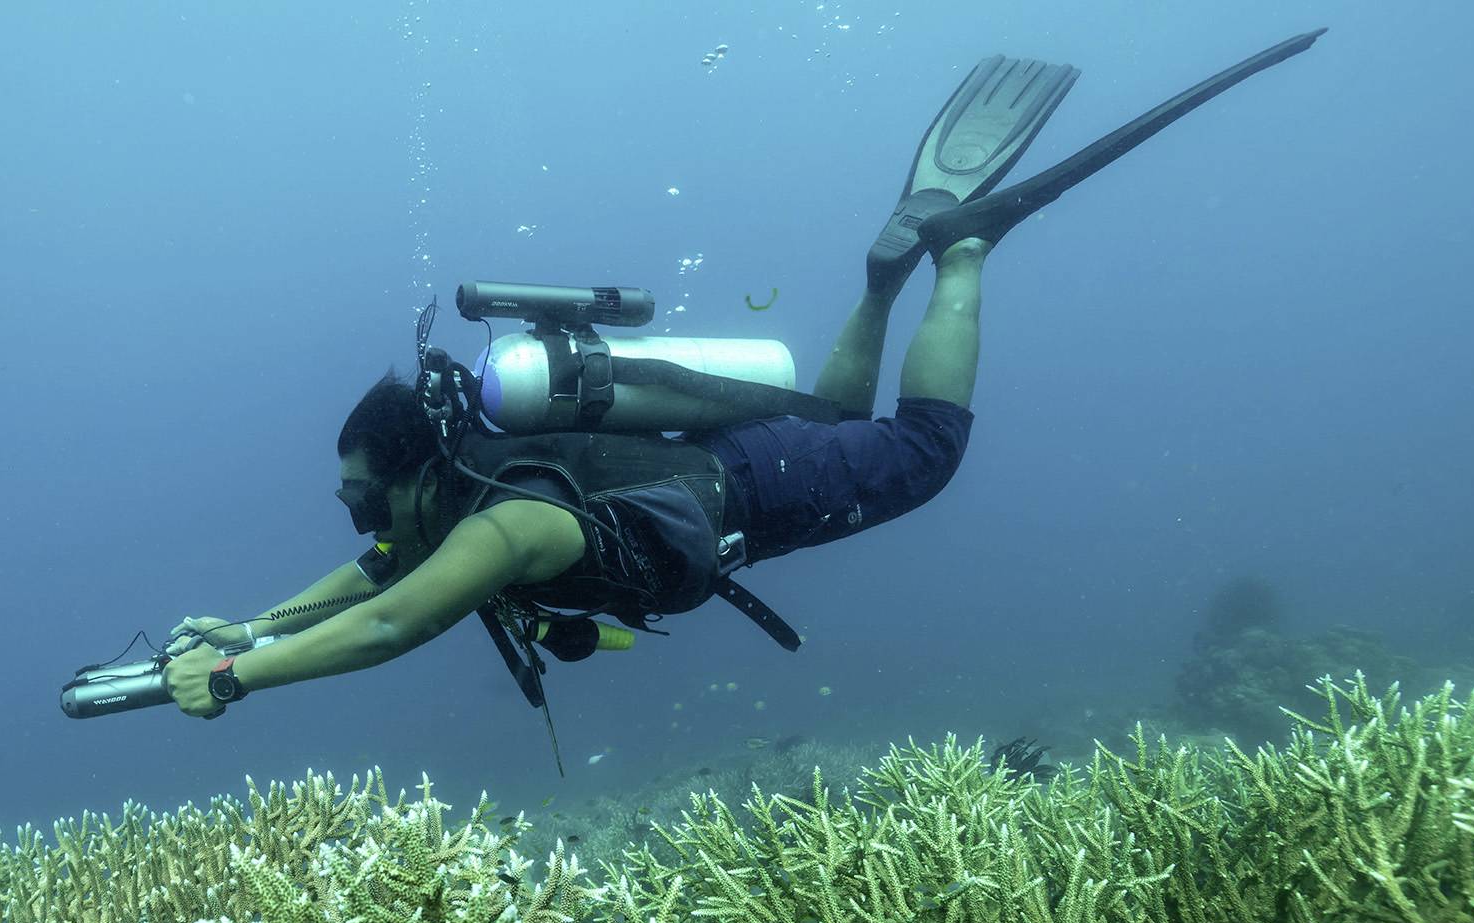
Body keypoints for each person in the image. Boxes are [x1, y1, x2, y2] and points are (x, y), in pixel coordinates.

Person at [162, 31, 1324, 721]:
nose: (361, 516)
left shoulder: (500, 527)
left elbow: (392, 623)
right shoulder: (460, 492)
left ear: (423, 467)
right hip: (731, 463)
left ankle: (958, 253)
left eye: (365, 491)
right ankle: (882, 279)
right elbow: (368, 579)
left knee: (922, 453)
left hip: (751, 488)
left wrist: (241, 674)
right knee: (831, 422)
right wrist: (249, 628)